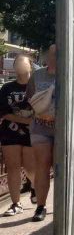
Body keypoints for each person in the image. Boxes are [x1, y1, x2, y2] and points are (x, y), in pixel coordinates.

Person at [0, 56, 36, 216]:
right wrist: (24, 120)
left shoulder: (37, 87)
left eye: (23, 62)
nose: (19, 65)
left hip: (33, 133)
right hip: (10, 132)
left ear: (30, 66)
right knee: (13, 168)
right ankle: (16, 203)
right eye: (16, 63)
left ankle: (35, 186)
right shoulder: (7, 88)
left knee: (30, 168)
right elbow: (3, 112)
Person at [26, 44, 57, 223]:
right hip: (40, 127)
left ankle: (64, 206)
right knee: (42, 165)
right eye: (50, 54)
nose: (52, 57)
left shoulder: (70, 74)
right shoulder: (37, 75)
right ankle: (40, 207)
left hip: (62, 128)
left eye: (56, 54)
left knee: (61, 167)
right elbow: (30, 99)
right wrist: (38, 112)